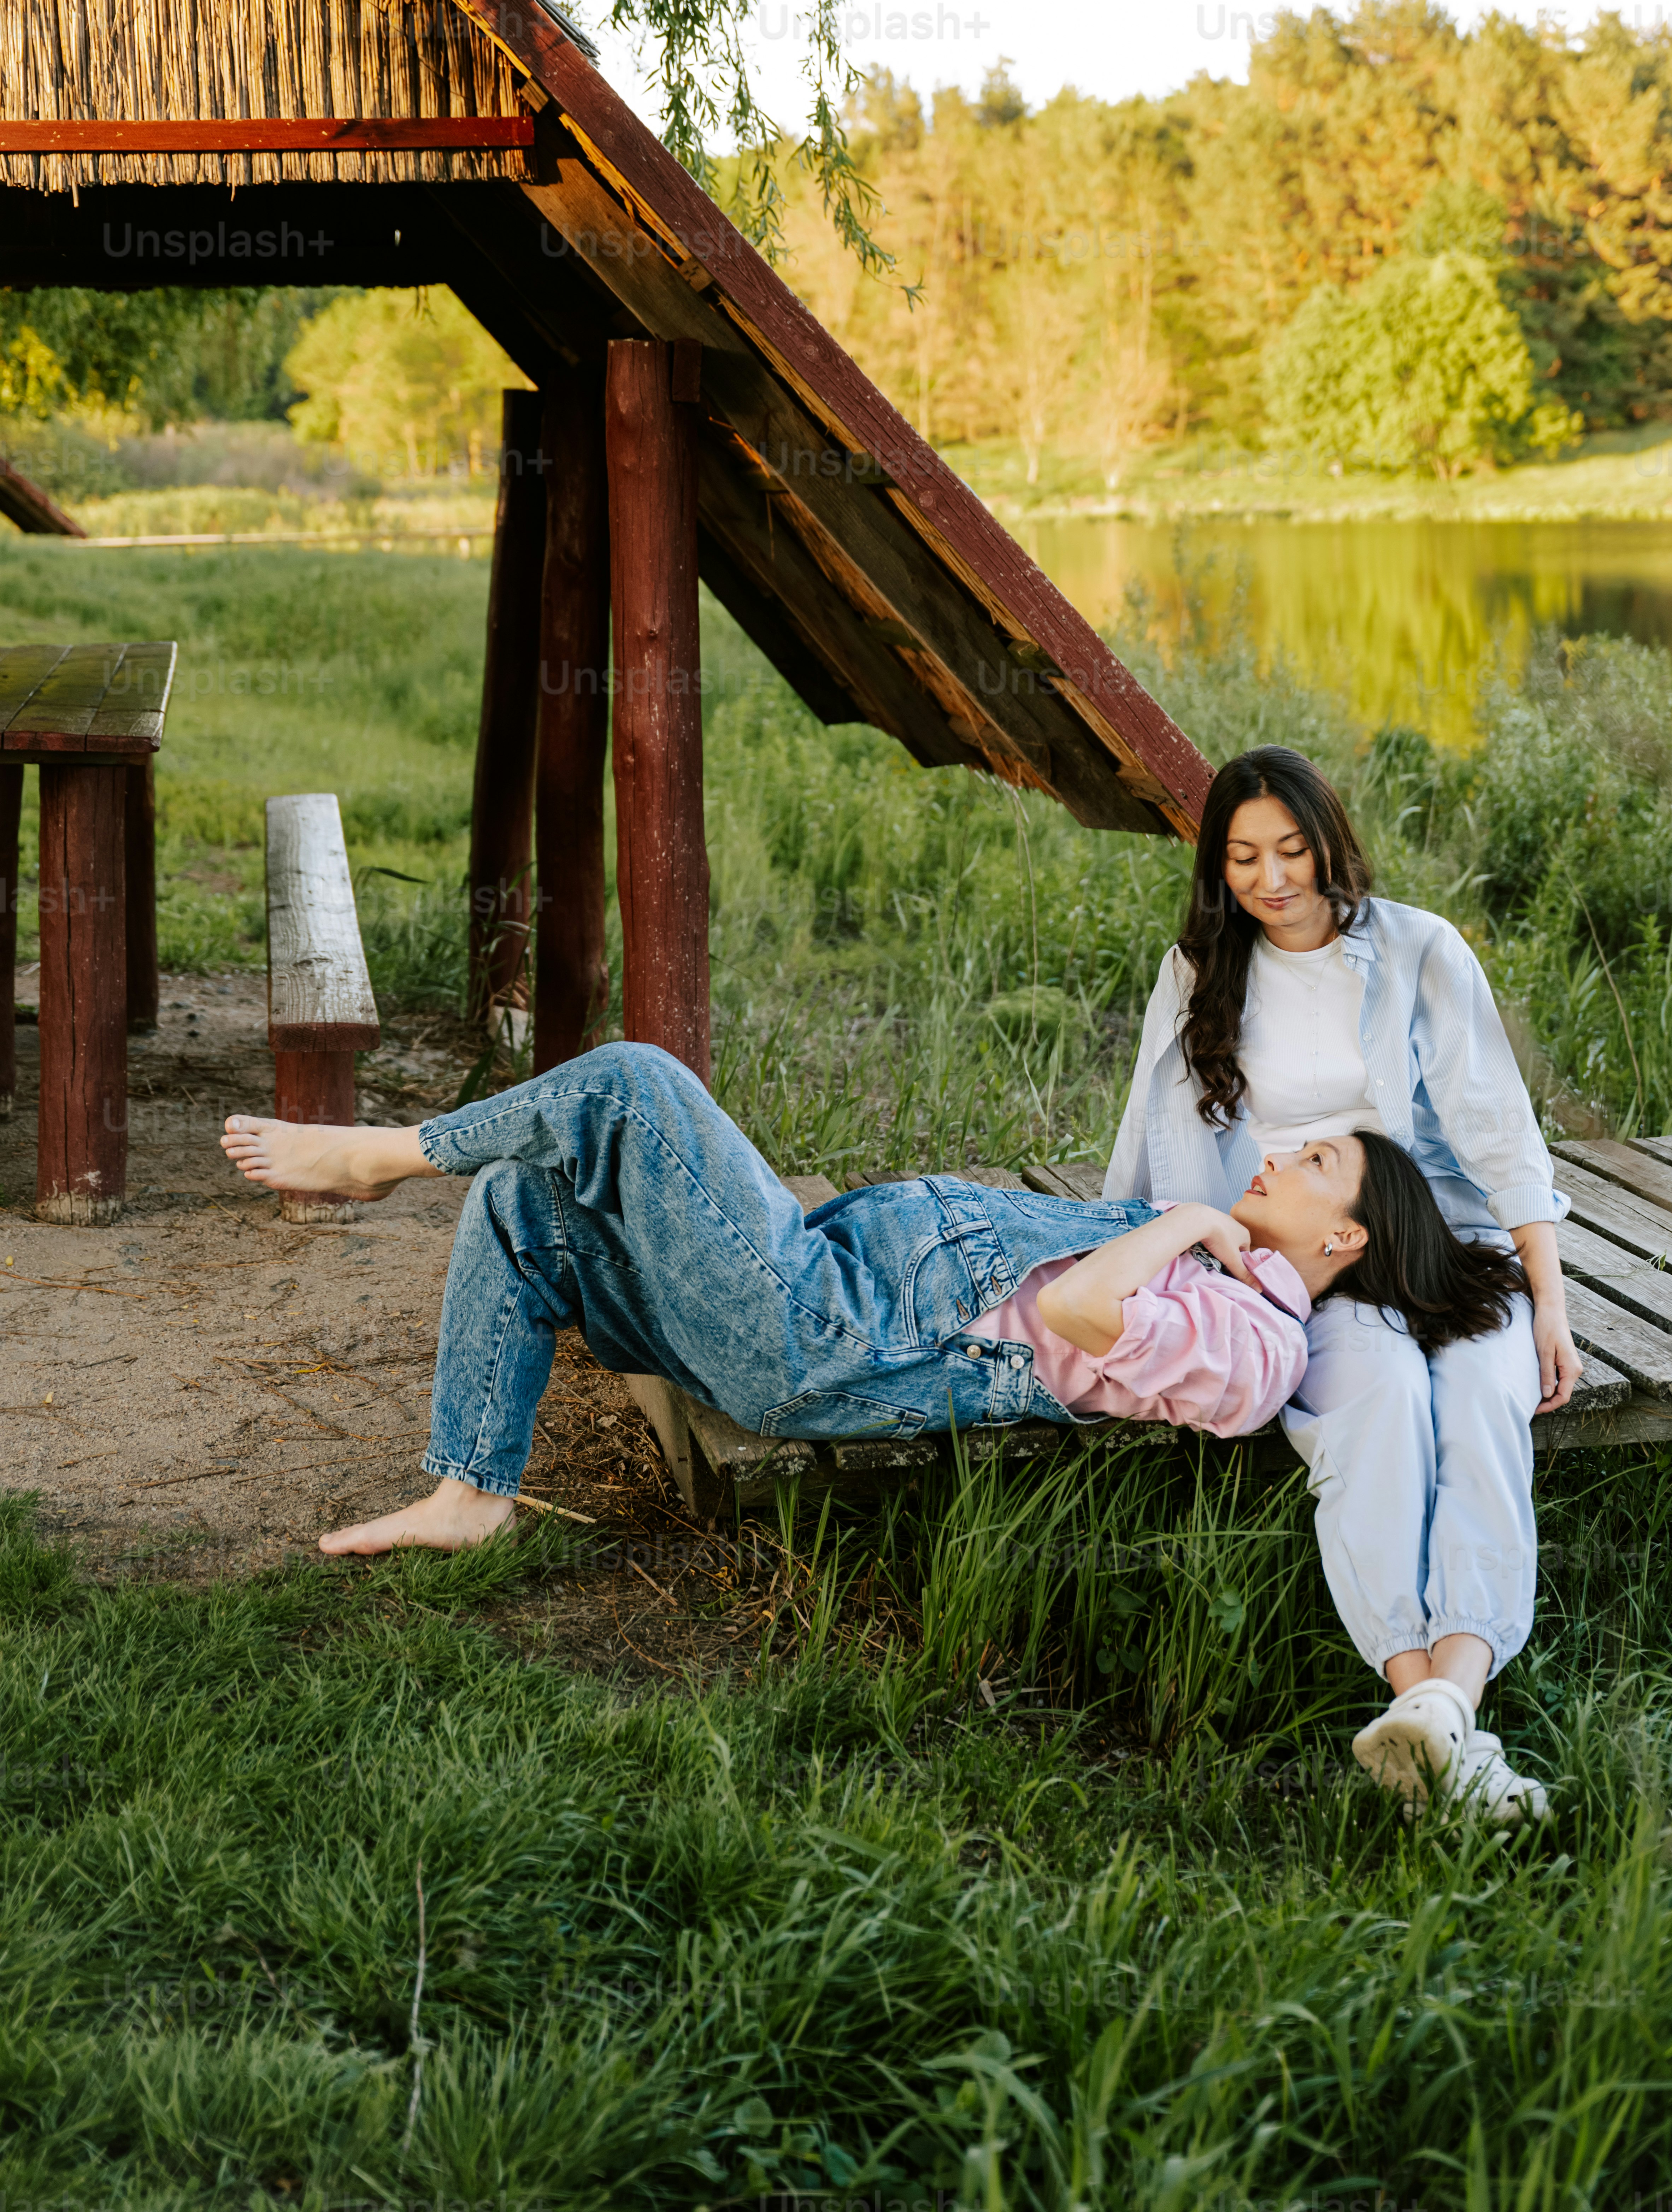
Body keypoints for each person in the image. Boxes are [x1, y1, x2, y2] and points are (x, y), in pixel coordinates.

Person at [218, 1047, 1494, 1597]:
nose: (1280, 1157)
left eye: (1315, 1163)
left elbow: (1079, 1307)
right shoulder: (1222, 1270)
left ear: (1345, 1240)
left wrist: (1189, 1226)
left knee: (637, 1081)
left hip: (828, 1340)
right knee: (523, 1202)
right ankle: (471, 1494)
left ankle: (378, 1155)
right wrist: (1193, 1223)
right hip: (823, 1277)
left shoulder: (1258, 1346)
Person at [1105, 743, 1579, 1826]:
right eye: (1242, 859)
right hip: (1302, 1257)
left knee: (1480, 1398)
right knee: (1378, 1406)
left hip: (1440, 1237)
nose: (1271, 881)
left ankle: (1442, 1712)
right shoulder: (1198, 972)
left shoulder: (1420, 950)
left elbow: (1503, 1132)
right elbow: (1152, 1140)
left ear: (1329, 845)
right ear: (1217, 870)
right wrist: (1133, 1271)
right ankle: (1442, 1718)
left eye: (1290, 850)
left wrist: (1548, 1302)